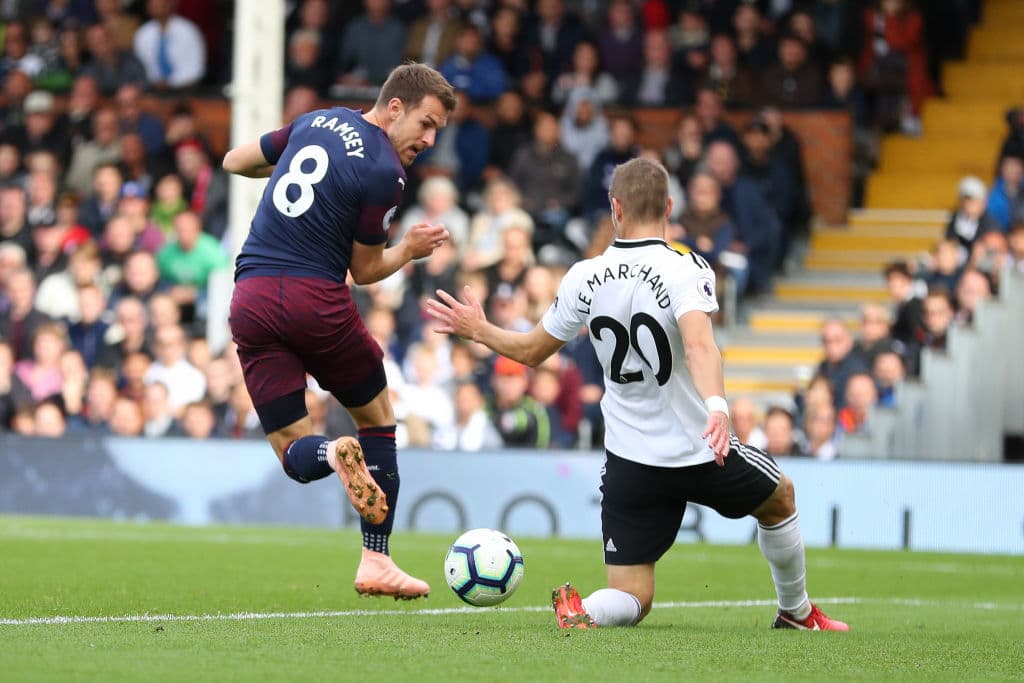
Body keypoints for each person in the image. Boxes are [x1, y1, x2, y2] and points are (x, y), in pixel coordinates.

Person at [426, 157, 848, 631]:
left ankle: (584, 609)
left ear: (615, 208)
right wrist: (718, 408)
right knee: (780, 498)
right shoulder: (684, 268)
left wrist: (480, 329)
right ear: (669, 206)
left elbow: (529, 351)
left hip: (630, 459)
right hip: (699, 448)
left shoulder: (584, 276)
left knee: (633, 596)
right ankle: (795, 612)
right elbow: (700, 344)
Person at [221, 63, 457, 600]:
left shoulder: (313, 121)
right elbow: (367, 271)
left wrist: (285, 170)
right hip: (314, 298)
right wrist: (411, 250)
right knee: (377, 418)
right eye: (425, 123)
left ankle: (331, 454)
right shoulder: (384, 171)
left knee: (292, 451)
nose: (428, 138)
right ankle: (376, 558)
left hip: (252, 295)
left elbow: (235, 160)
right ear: (394, 106)